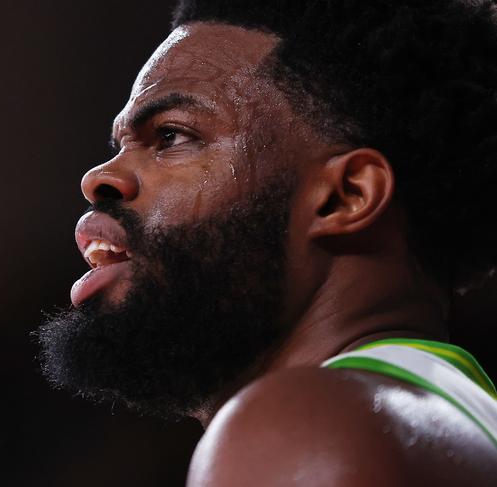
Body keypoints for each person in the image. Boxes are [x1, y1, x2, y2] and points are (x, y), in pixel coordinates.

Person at [38, 1, 497, 484]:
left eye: (172, 135)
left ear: (346, 196)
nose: (99, 178)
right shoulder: (463, 422)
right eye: (120, 145)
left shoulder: (305, 428)